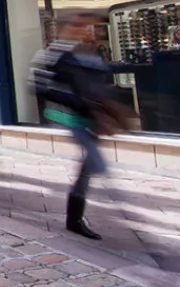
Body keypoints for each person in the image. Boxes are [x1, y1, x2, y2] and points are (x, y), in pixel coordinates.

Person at [32, 12, 118, 240]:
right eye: (77, 25)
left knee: (90, 164)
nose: (83, 29)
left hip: (89, 116)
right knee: (94, 163)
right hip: (68, 115)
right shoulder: (54, 54)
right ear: (63, 27)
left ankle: (75, 217)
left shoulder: (81, 52)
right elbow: (40, 87)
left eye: (85, 25)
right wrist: (78, 102)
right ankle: (75, 218)